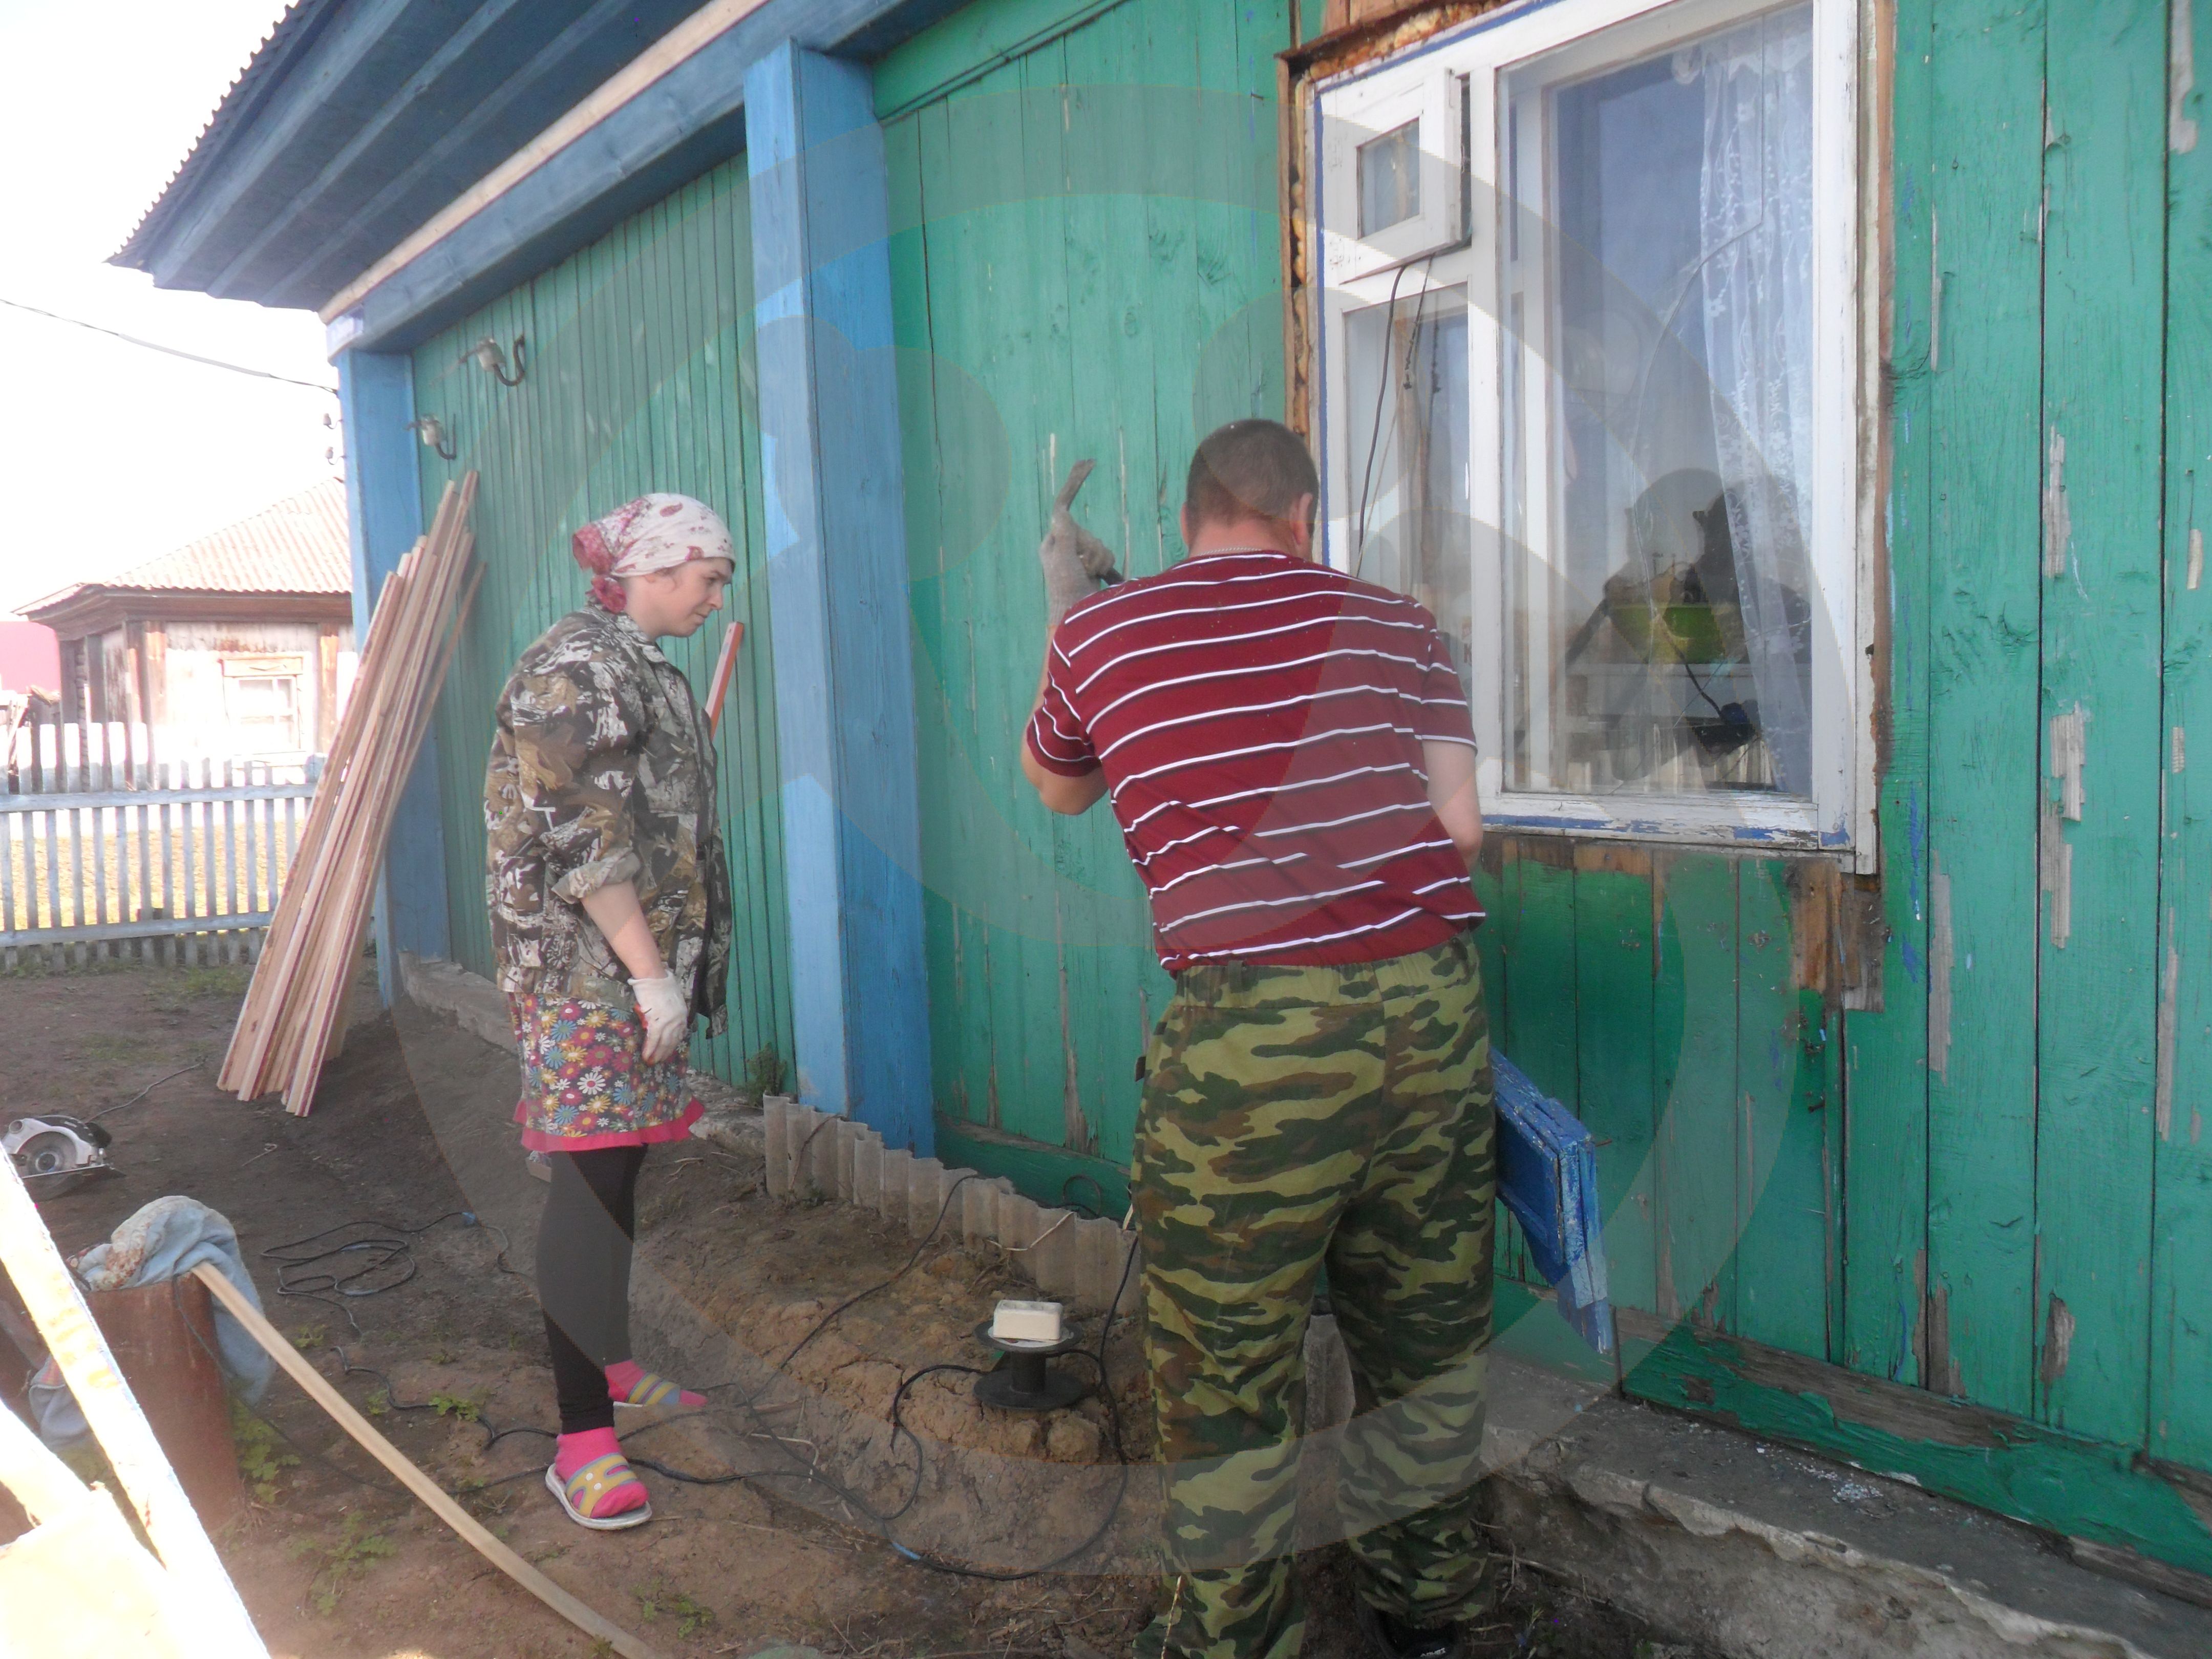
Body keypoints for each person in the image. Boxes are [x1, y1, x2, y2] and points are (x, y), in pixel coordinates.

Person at [1022, 420, 1495, 1659]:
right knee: (1425, 1349)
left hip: (1252, 1044)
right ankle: (1434, 1617)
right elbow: (1459, 834)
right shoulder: (1403, 624)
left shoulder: (1100, 630)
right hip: (1428, 1017)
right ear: (1303, 516)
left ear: (1187, 522)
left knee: (1225, 1379)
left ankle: (1232, 1642)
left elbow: (1061, 786)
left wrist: (1077, 621)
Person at [484, 492, 737, 1531]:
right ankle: (581, 1439)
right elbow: (584, 840)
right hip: (587, 975)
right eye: (710, 578)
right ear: (660, 566)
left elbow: (650, 810)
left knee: (621, 1162)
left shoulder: (637, 662)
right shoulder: (576, 667)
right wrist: (648, 975)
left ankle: (614, 1361)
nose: (717, 599)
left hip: (630, 965)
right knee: (587, 1187)